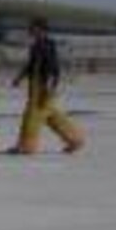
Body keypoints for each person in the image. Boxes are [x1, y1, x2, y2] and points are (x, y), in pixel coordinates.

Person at [9, 16, 85, 155]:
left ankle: (27, 145)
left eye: (32, 28)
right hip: (37, 86)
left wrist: (49, 86)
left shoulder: (47, 45)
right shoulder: (36, 45)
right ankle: (75, 139)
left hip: (43, 87)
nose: (29, 30)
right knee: (52, 116)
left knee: (32, 116)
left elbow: (53, 67)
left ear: (40, 29)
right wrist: (19, 78)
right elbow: (31, 66)